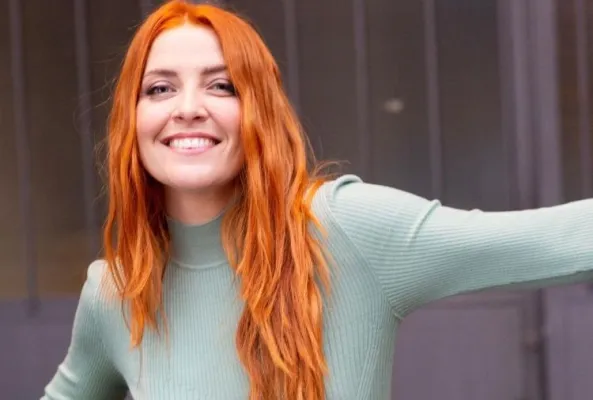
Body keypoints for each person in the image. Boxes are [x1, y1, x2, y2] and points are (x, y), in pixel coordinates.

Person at [42, 1, 593, 399]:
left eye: (222, 85)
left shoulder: (345, 230)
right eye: (160, 88)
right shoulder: (115, 292)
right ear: (131, 120)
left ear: (260, 114)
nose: (187, 107)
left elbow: (561, 239)